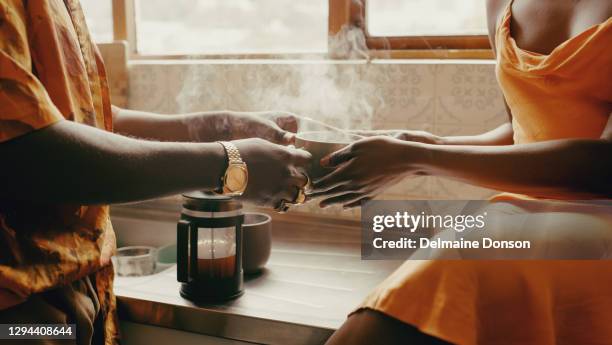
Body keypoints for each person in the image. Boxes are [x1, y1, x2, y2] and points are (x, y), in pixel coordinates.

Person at [0, 1, 310, 344]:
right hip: (16, 315)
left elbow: (83, 118)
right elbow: (26, 153)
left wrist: (214, 128)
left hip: (63, 297)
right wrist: (227, 162)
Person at [315, 0, 612, 344]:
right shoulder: (501, 4)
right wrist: (424, 146)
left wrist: (415, 158)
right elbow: (521, 134)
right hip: (524, 212)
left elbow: (605, 165)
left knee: (457, 262)